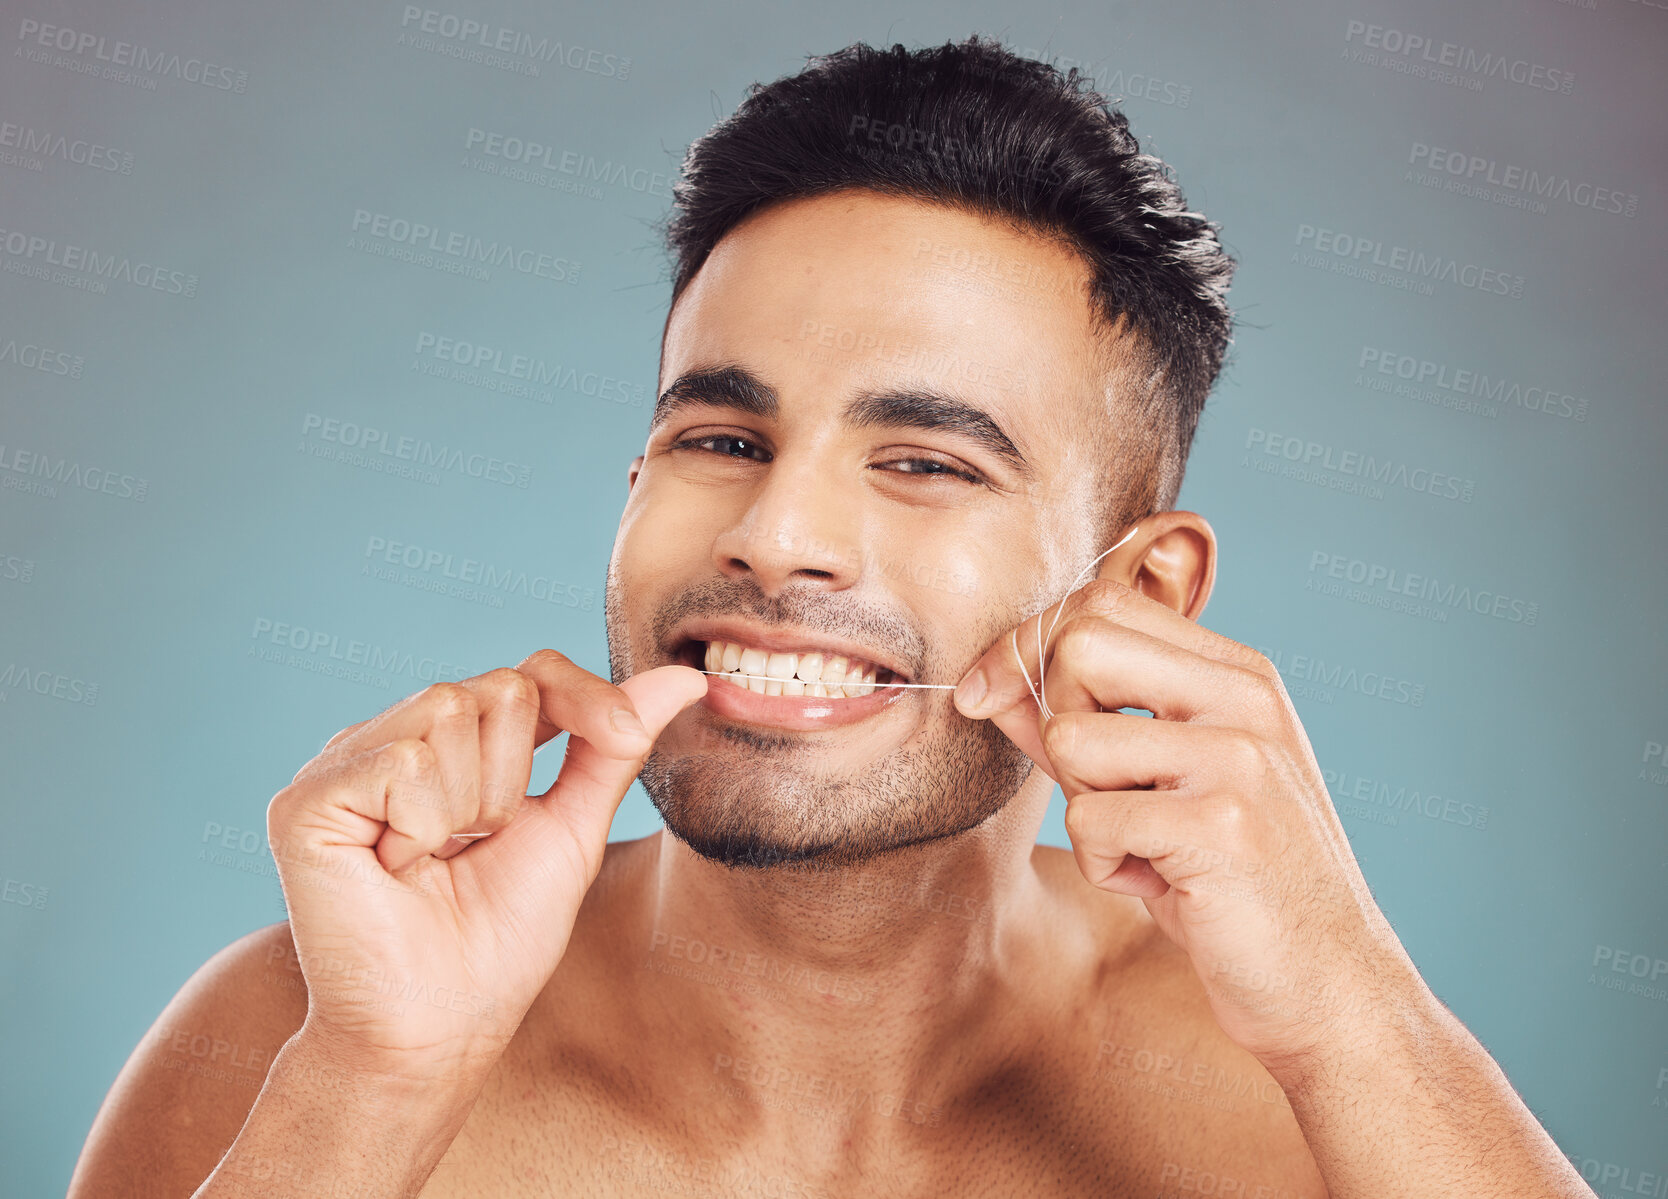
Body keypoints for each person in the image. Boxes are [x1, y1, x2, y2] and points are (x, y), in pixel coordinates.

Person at [69, 35, 1593, 1198]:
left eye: (927, 462)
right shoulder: (300, 1036)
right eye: (719, 440)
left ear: (1141, 590)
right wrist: (370, 1093)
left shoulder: (1316, 1109)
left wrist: (1355, 1016)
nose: (774, 533)